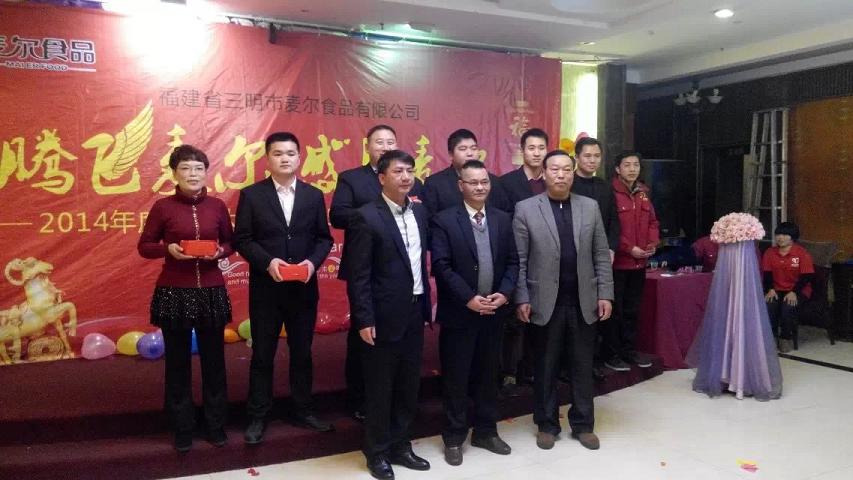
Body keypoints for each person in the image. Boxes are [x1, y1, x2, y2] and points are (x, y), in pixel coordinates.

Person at [234, 132, 334, 445]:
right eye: (278, 153)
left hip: (303, 290)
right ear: (267, 159)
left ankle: (303, 409)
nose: (285, 158)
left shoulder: (313, 195)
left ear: (299, 157)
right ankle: (258, 415)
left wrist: (312, 264)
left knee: (302, 353)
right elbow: (243, 239)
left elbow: (324, 238)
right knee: (263, 354)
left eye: (291, 153)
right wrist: (268, 262)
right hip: (267, 290)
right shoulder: (252, 195)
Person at [513, 150, 613, 451]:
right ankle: (546, 424)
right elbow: (519, 259)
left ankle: (583, 424)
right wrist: (522, 297)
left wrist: (605, 293)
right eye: (555, 169)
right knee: (546, 366)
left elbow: (600, 254)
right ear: (544, 173)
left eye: (567, 169)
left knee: (582, 366)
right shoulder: (526, 208)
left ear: (573, 173)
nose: (561, 175)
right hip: (545, 302)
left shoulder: (590, 207)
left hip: (584, 300)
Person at [138, 145, 234, 453]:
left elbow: (230, 242)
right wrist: (168, 249)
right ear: (174, 174)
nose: (193, 174)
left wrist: (220, 252)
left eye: (198, 168)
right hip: (174, 291)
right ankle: (182, 427)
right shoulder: (162, 207)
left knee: (214, 362)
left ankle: (215, 425)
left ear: (206, 173)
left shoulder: (217, 206)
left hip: (211, 290)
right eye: (185, 168)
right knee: (177, 364)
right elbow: (145, 246)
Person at [329, 124, 425, 421]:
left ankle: (397, 411)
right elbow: (337, 215)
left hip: (403, 274)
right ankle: (359, 399)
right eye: (379, 142)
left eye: (390, 141)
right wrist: (376, 212)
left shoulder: (411, 180)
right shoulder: (353, 178)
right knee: (364, 339)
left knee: (403, 353)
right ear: (367, 146)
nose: (385, 146)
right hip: (369, 265)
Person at [347, 150, 432, 480]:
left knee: (408, 384)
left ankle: (401, 445)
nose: (406, 177)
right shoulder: (365, 217)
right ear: (382, 178)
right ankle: (377, 452)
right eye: (398, 171)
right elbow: (358, 275)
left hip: (414, 310)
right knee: (380, 387)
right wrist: (364, 319)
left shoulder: (420, 212)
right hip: (381, 316)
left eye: (410, 170)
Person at [430, 160, 519, 466]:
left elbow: (513, 262)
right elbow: (441, 266)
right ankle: (454, 437)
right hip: (460, 314)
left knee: (488, 375)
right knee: (456, 377)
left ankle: (486, 431)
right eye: (473, 182)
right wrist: (468, 298)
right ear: (461, 186)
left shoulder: (502, 219)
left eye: (484, 182)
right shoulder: (444, 220)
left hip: (494, 311)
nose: (480, 187)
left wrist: (504, 293)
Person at [497, 128, 548, 395]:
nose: (536, 153)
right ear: (522, 150)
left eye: (541, 148)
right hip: (517, 256)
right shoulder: (506, 183)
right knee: (514, 318)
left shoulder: (553, 181)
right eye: (531, 148)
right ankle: (509, 372)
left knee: (541, 316)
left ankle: (532, 368)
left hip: (546, 260)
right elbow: (503, 220)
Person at [603, 152, 659, 372]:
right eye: (627, 165)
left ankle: (629, 350)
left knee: (632, 310)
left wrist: (652, 242)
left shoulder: (643, 192)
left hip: (639, 263)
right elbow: (609, 227)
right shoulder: (610, 192)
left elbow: (653, 221)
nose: (632, 169)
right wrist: (628, 248)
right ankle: (611, 354)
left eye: (636, 165)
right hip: (618, 263)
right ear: (618, 169)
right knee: (614, 311)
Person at [423, 128, 511, 215]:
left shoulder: (494, 181)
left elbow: (505, 214)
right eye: (463, 149)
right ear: (451, 154)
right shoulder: (435, 184)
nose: (470, 153)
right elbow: (430, 219)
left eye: (473, 148)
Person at [762, 222, 815, 353]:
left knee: (788, 307)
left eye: (785, 235)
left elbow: (807, 276)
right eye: (778, 234)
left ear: (793, 237)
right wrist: (770, 289)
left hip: (798, 289)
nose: (780, 237)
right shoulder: (770, 252)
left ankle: (785, 338)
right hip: (776, 289)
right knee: (769, 305)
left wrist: (794, 292)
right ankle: (771, 337)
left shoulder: (801, 253)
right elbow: (767, 274)